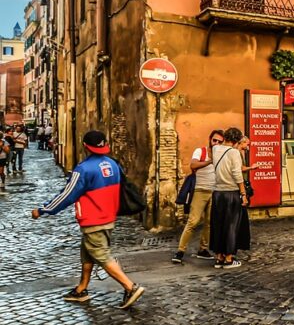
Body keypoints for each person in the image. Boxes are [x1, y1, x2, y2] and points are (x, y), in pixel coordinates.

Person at [31, 130, 145, 308]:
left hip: (93, 219)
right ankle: (81, 289)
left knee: (101, 255)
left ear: (85, 146)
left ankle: (130, 287)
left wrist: (43, 209)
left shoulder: (83, 169)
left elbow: (67, 195)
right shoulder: (113, 164)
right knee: (87, 254)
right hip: (108, 217)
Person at [172, 129, 224, 264]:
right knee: (193, 222)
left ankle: (203, 249)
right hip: (200, 191)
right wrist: (209, 161)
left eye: (219, 141)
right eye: (214, 140)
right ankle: (180, 251)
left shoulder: (222, 154)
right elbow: (193, 164)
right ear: (210, 139)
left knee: (209, 223)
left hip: (215, 191)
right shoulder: (201, 151)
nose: (216, 143)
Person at [209, 127, 249, 268]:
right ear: (237, 140)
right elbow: (237, 175)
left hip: (217, 192)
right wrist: (243, 194)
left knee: (218, 225)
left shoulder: (215, 149)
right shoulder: (234, 153)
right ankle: (229, 258)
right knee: (231, 225)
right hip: (231, 192)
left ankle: (219, 257)